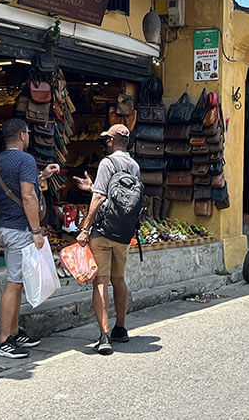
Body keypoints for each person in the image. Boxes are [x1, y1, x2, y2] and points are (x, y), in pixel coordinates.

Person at [0, 118, 59, 359]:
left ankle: (14, 331)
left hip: (6, 227)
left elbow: (16, 187)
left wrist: (42, 175)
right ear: (22, 135)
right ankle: (4, 341)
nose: (29, 136)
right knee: (14, 283)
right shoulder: (25, 159)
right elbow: (28, 196)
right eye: (28, 133)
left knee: (17, 283)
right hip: (21, 230)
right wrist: (37, 231)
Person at [74, 123, 142, 355]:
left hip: (102, 232)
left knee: (100, 281)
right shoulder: (134, 165)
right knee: (119, 280)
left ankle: (104, 336)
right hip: (123, 233)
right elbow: (123, 197)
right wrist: (91, 187)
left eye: (107, 140)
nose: (106, 143)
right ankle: (120, 329)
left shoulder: (107, 163)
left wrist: (85, 228)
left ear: (112, 142)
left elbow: (101, 198)